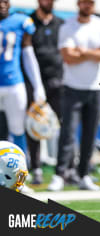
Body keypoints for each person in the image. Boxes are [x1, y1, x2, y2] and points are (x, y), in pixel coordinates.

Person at [47, 0, 100, 191]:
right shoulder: (68, 26)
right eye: (85, 2)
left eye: (91, 2)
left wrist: (83, 52)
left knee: (90, 133)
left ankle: (83, 174)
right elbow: (68, 57)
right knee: (68, 132)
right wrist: (96, 54)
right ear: (79, 4)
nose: (88, 5)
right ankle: (59, 175)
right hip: (72, 86)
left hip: (95, 87)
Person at [0, 0, 46, 154]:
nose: (2, 4)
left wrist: (38, 86)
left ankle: (21, 171)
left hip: (14, 83)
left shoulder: (20, 21)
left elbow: (28, 56)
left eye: (5, 1)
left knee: (17, 129)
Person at [25, 0, 64, 185]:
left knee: (65, 124)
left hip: (58, 80)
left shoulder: (60, 23)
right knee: (33, 124)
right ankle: (36, 168)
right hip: (34, 82)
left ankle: (66, 168)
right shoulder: (29, 22)